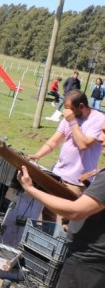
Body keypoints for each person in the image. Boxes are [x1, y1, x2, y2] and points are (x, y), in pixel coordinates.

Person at [28, 90, 105, 226]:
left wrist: (72, 121)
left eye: (69, 108)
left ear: (81, 106)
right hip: (58, 174)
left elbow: (83, 145)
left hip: (77, 181)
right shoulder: (69, 118)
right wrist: (37, 155)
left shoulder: (98, 120)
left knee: (69, 221)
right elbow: (54, 141)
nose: (66, 112)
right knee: (48, 213)